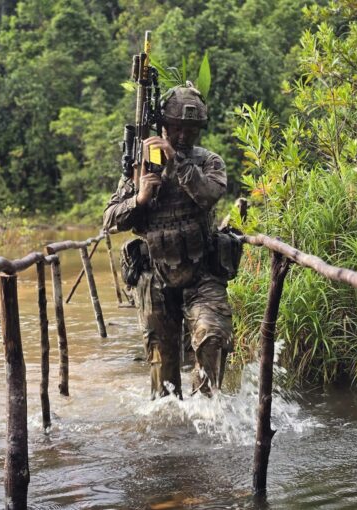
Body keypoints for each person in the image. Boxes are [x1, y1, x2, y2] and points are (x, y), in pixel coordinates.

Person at [104, 84, 233, 398]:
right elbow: (110, 220)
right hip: (156, 278)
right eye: (176, 128)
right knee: (163, 371)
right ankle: (171, 421)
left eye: (191, 130)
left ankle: (207, 409)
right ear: (163, 125)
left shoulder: (208, 162)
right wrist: (140, 198)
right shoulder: (141, 167)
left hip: (201, 273)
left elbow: (209, 195)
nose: (183, 136)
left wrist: (177, 163)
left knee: (212, 337)